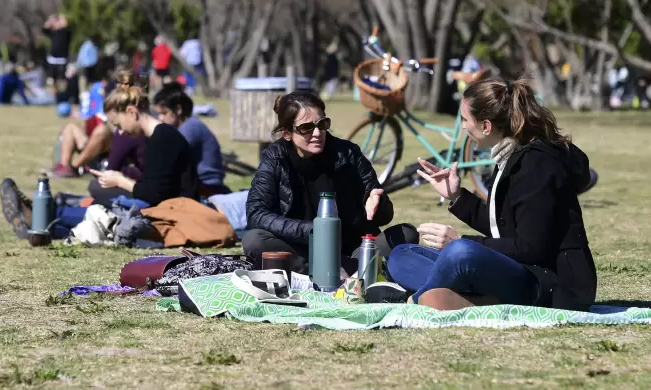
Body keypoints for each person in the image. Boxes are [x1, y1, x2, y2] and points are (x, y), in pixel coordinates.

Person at [387, 77, 597, 311]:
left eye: (466, 120)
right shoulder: (509, 153)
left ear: (486, 126)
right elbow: (504, 226)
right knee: (402, 255)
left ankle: (419, 300)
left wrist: (460, 241)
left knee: (459, 252)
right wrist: (456, 196)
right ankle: (473, 298)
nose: (464, 127)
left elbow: (531, 248)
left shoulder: (537, 165)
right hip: (518, 269)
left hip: (552, 284)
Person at [242, 91, 418, 295]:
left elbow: (382, 215)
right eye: (306, 128)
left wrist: (379, 204)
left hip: (352, 249)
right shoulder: (275, 158)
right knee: (254, 240)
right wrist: (311, 231)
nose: (317, 133)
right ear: (287, 133)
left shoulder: (348, 153)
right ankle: (347, 274)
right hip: (302, 249)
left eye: (322, 124)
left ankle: (335, 273)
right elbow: (256, 213)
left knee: (406, 233)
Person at [0, 69, 198, 239]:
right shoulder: (156, 136)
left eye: (119, 125)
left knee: (113, 210)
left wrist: (120, 181)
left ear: (132, 112)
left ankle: (42, 217)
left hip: (175, 212)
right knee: (108, 205)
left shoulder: (163, 137)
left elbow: (154, 195)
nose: (121, 132)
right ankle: (42, 220)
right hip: (162, 206)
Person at [153, 82, 229, 196]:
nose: (160, 118)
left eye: (164, 113)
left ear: (178, 109)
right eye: (158, 114)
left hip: (208, 188)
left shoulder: (190, 128)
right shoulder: (187, 126)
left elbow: (167, 158)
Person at [42, 14, 71, 93]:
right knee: (53, 78)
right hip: (53, 58)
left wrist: (62, 18)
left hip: (62, 58)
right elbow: (44, 29)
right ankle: (55, 93)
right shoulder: (53, 33)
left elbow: (65, 24)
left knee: (63, 77)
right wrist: (50, 21)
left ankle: (66, 93)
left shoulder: (66, 32)